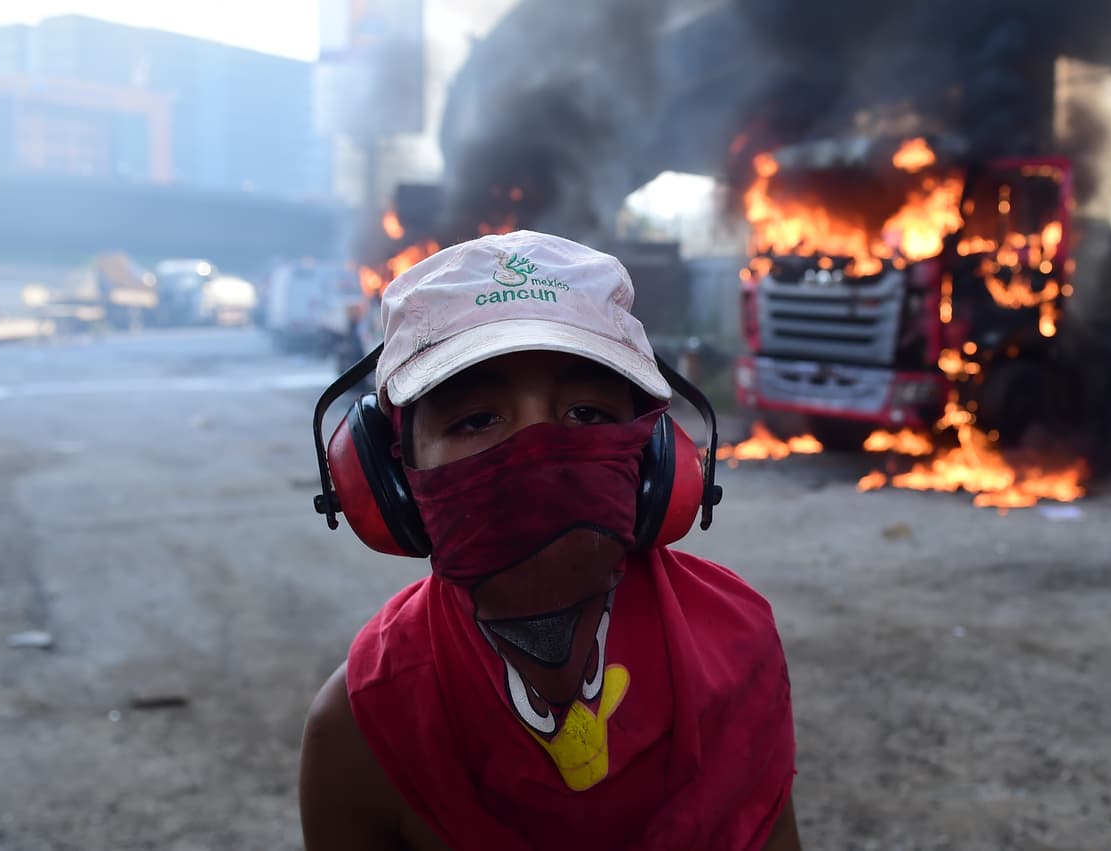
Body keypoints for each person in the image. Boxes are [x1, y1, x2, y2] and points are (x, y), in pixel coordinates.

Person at [299, 230, 799, 850]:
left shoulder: (739, 644)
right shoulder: (364, 726)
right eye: (477, 419)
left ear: (655, 464)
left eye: (586, 413)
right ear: (390, 482)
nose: (537, 457)